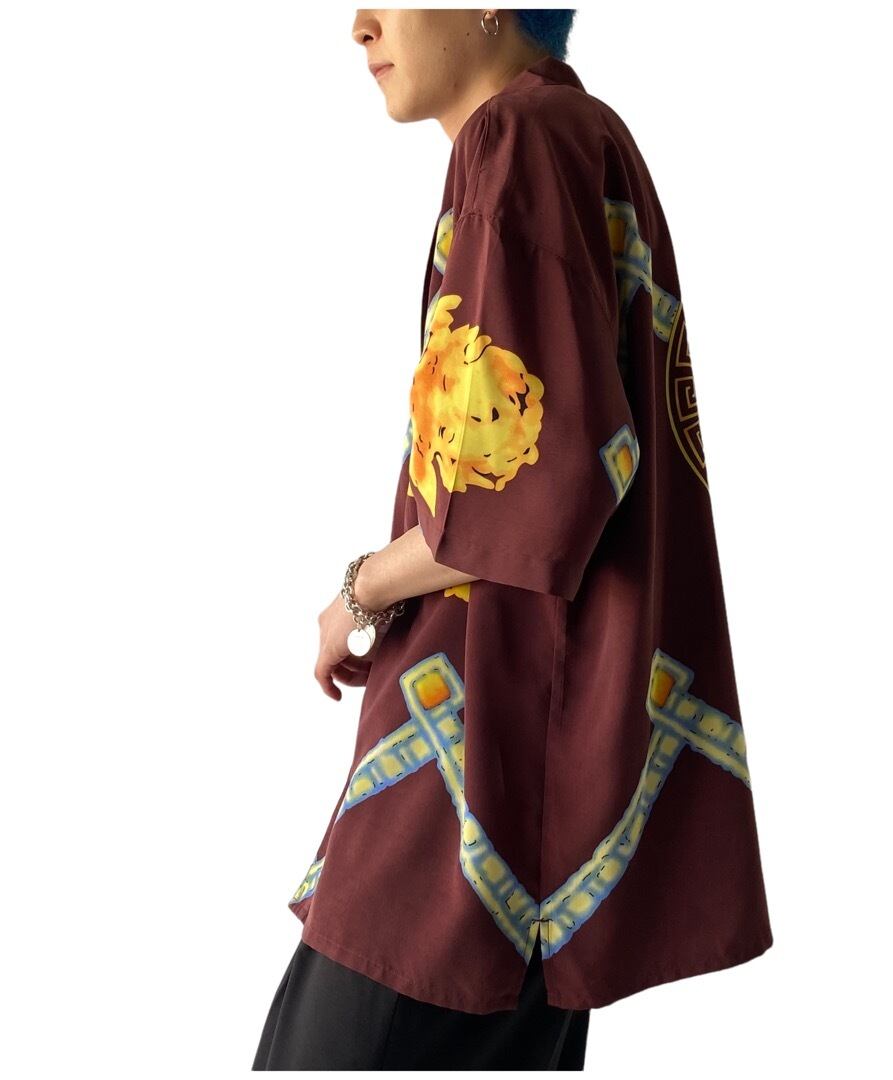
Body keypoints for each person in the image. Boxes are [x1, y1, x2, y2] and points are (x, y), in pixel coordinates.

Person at [253, 7, 774, 1071]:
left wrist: (360, 589)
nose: (359, 24)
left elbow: (530, 489)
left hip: (478, 775)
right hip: (552, 786)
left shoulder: (518, 139)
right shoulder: (584, 136)